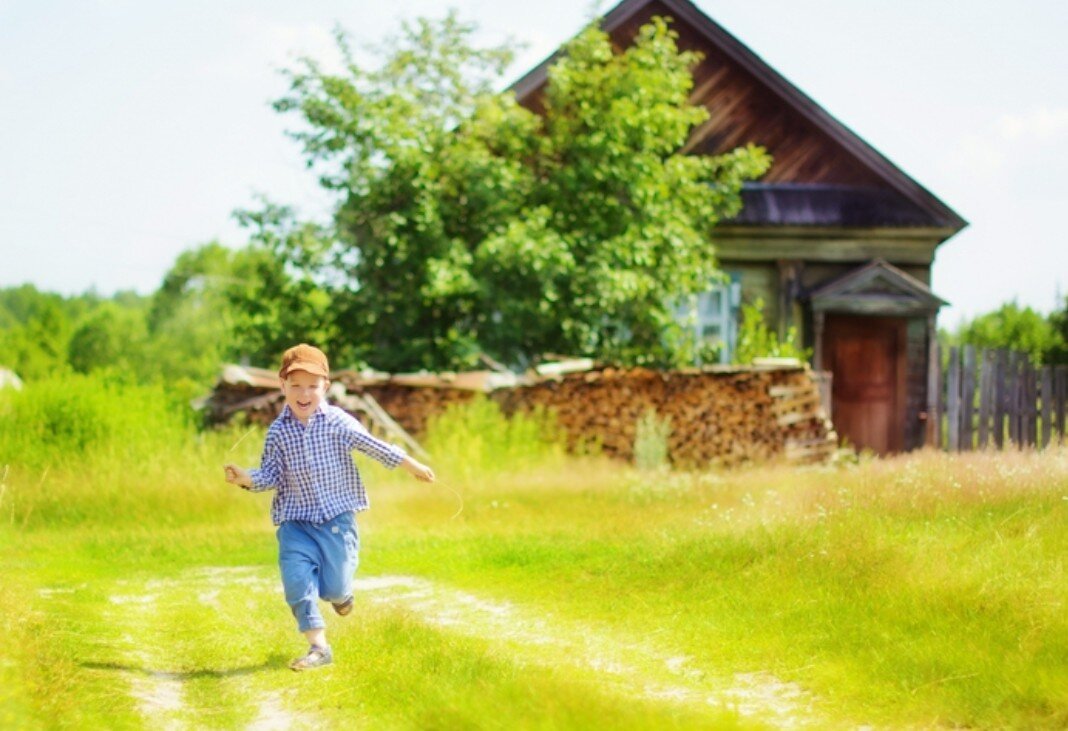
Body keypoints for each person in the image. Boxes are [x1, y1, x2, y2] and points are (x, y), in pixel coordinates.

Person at [224, 343, 434, 671]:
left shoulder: (338, 422)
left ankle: (341, 596)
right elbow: (271, 474)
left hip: (336, 520)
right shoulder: (278, 432)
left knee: (334, 587)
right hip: (295, 522)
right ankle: (318, 647)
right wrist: (246, 478)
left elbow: (373, 446)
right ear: (282, 386)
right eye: (295, 386)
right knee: (297, 582)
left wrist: (412, 465)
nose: (304, 393)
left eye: (312, 386)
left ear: (326, 387)